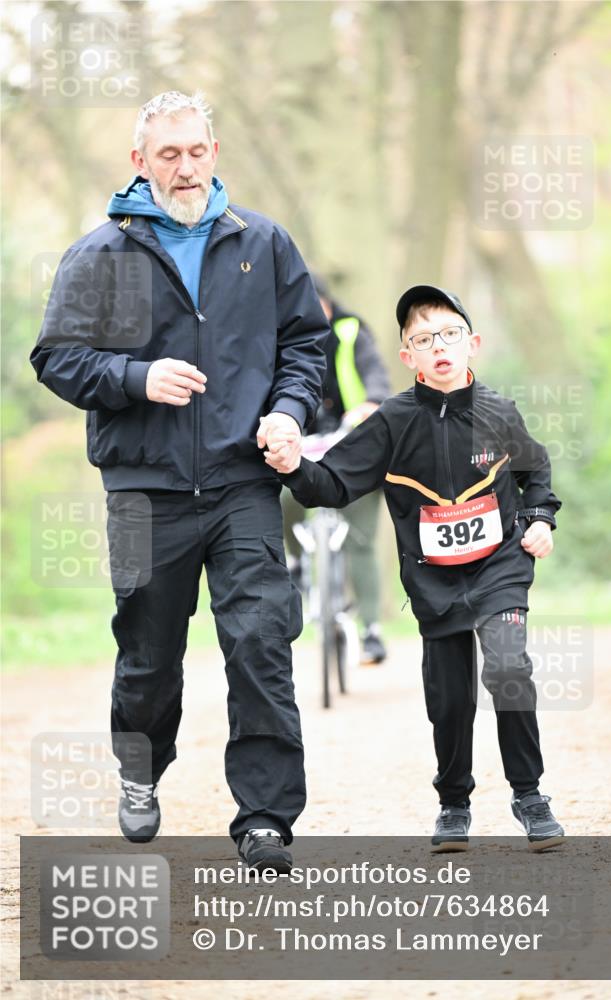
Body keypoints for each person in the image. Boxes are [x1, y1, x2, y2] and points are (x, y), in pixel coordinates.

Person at [30, 91, 328, 873]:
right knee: (148, 655)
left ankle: (264, 816)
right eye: (168, 154)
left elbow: (306, 345)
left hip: (242, 483)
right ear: (140, 162)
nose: (185, 166)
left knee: (261, 640)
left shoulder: (261, 244)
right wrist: (136, 376)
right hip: (142, 488)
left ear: (215, 150)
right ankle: (139, 766)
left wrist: (289, 413)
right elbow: (56, 356)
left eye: (196, 151)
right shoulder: (101, 254)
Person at [264, 284, 566, 852]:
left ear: (471, 343)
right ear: (408, 357)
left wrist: (541, 518)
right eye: (423, 339)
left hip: (500, 566)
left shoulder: (500, 411)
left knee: (507, 667)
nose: (439, 347)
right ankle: (454, 803)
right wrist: (291, 465)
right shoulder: (394, 421)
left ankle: (530, 795)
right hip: (435, 580)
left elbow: (536, 469)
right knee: (449, 697)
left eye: (450, 334)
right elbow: (333, 482)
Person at [281, 276, 391, 664]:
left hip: (355, 445)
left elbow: (376, 374)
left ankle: (372, 631)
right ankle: (295, 561)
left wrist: (372, 402)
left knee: (359, 539)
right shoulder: (281, 335)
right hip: (304, 445)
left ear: (327, 305)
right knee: (281, 498)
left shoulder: (351, 332)